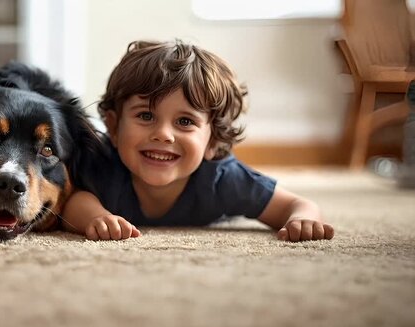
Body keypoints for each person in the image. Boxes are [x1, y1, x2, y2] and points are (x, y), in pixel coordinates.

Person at [61, 39, 335, 242]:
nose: (163, 134)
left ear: (213, 141)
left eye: (185, 122)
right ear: (114, 126)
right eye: (146, 115)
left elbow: (296, 205)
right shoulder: (105, 164)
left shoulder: (224, 179)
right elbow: (74, 201)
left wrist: (303, 221)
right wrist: (96, 218)